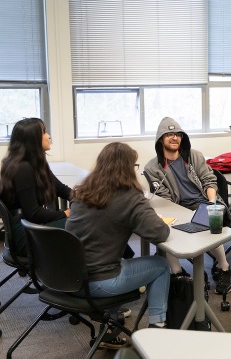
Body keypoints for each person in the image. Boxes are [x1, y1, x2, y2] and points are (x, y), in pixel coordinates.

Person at [66, 142, 171, 348]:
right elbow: (159, 233)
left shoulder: (82, 193)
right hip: (98, 283)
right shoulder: (130, 198)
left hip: (67, 279)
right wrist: (147, 211)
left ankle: (110, 330)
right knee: (161, 266)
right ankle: (158, 332)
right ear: (128, 169)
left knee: (117, 260)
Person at [144, 117, 231, 294]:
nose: (174, 138)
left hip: (202, 202)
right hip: (177, 207)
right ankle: (179, 273)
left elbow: (209, 181)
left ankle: (224, 267)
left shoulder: (194, 156)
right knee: (163, 231)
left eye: (178, 134)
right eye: (169, 134)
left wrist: (211, 204)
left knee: (209, 222)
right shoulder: (153, 168)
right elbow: (164, 198)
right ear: (160, 139)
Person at [0, 117, 72, 257]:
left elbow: (61, 189)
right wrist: (65, 214)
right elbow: (33, 213)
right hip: (26, 233)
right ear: (33, 140)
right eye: (44, 132)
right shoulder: (22, 169)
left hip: (31, 225)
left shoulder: (35, 163)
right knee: (85, 224)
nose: (48, 136)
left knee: (87, 222)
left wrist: (86, 197)